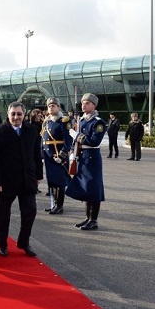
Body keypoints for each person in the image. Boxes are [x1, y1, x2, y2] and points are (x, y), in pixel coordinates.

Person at [0, 101, 43, 257]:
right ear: (8, 114)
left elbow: (36, 155)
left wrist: (38, 175)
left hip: (27, 179)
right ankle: (3, 245)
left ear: (24, 115)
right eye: (13, 114)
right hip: (6, 182)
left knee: (30, 211)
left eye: (19, 114)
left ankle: (23, 242)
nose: (16, 117)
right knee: (3, 214)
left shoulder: (31, 130)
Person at [66, 93, 107, 231]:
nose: (84, 105)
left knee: (93, 189)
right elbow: (75, 141)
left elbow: (94, 140)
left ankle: (93, 220)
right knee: (86, 188)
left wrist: (77, 136)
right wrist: (72, 150)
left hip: (92, 159)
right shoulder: (81, 121)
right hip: (82, 158)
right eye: (83, 102)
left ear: (94, 105)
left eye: (87, 103)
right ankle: (88, 217)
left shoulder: (98, 122)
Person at [41, 97, 72, 215]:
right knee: (52, 181)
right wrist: (41, 154)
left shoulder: (64, 121)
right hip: (49, 156)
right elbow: (43, 139)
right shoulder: (46, 121)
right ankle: (53, 204)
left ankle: (59, 206)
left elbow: (68, 141)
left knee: (60, 182)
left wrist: (62, 155)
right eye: (49, 106)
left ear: (58, 107)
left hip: (58, 156)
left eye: (53, 105)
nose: (51, 107)